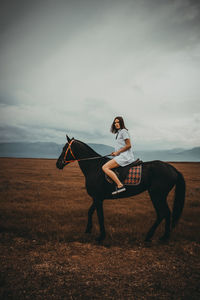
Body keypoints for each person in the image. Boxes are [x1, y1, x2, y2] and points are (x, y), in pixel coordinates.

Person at [102, 116, 135, 195]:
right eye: (115, 122)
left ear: (121, 123)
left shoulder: (123, 131)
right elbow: (121, 147)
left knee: (105, 167)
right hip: (121, 156)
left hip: (125, 156)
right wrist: (115, 153)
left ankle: (120, 185)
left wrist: (117, 153)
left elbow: (128, 145)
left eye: (118, 122)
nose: (116, 124)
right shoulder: (118, 133)